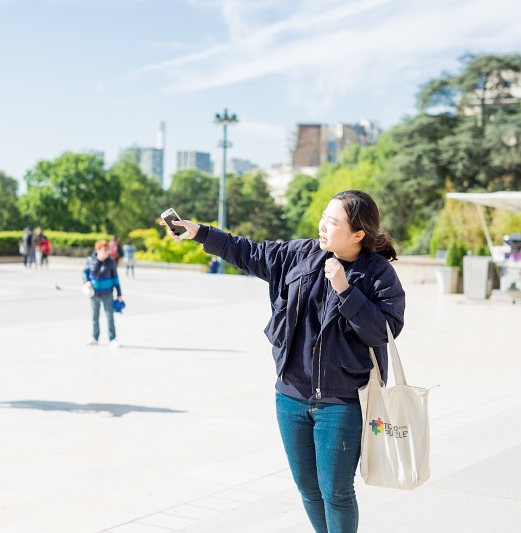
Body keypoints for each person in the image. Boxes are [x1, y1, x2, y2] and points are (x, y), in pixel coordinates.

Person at [163, 190, 405, 533]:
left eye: (333, 222)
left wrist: (346, 291)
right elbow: (249, 252)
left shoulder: (377, 273)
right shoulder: (300, 255)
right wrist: (201, 232)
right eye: (324, 216)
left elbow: (385, 330)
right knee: (308, 489)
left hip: (343, 402)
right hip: (290, 397)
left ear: (358, 234)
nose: (322, 225)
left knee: (336, 492)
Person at [83, 240, 123, 348]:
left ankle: (112, 338)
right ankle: (95, 337)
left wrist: (119, 293)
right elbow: (85, 273)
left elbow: (115, 278)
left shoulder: (111, 262)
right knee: (94, 316)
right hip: (94, 293)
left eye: (107, 250)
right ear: (98, 250)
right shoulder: (91, 260)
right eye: (104, 250)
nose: (106, 252)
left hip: (107, 293)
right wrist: (86, 282)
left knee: (110, 316)